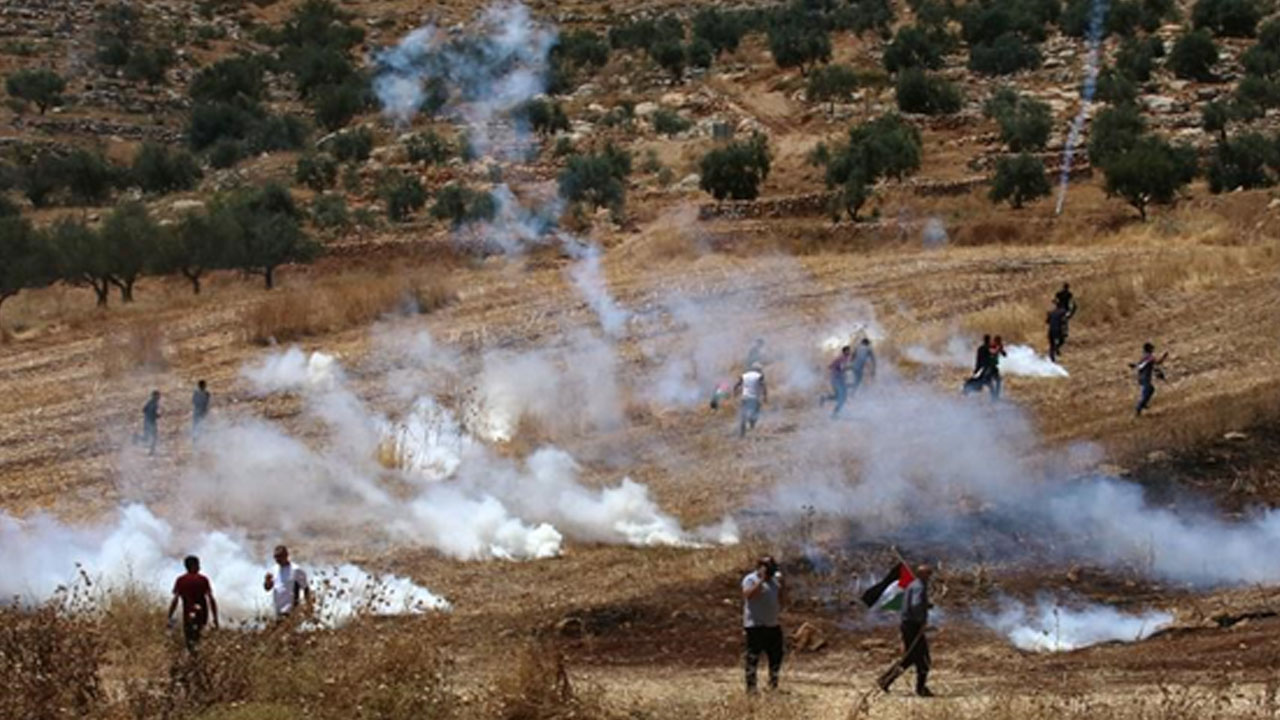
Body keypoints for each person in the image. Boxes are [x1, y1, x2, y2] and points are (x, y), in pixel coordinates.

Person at [878, 563, 934, 697]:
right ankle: (920, 689)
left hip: (907, 624)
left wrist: (926, 605)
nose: (930, 577)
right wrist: (922, 620)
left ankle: (886, 680)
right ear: (922, 575)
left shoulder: (913, 585)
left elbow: (912, 603)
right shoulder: (919, 586)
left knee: (910, 658)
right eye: (928, 574)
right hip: (913, 626)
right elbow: (915, 604)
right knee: (924, 659)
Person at [742, 556, 785, 692]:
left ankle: (773, 684)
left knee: (776, 656)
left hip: (772, 625)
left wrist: (781, 584)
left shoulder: (774, 582)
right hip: (755, 625)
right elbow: (748, 595)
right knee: (753, 657)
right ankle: (751, 687)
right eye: (768, 566)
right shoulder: (751, 579)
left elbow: (781, 599)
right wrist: (761, 580)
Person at [168, 555, 218, 651]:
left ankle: (192, 659)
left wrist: (170, 616)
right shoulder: (203, 579)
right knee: (200, 638)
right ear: (194, 566)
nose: (200, 567)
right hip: (202, 615)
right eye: (198, 565)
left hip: (187, 615)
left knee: (189, 640)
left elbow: (175, 599)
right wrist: (215, 618)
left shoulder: (180, 580)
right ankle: (197, 660)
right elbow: (211, 599)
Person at [263, 545, 311, 618]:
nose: (277, 559)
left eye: (280, 556)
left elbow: (305, 588)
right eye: (276, 557)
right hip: (278, 610)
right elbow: (268, 588)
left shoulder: (296, 570)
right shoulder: (274, 569)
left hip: (291, 610)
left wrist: (309, 606)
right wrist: (267, 581)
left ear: (286, 556)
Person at [1130, 342, 1167, 417]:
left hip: (1142, 378)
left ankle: (1143, 404)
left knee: (1150, 389)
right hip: (1145, 378)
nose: (1153, 350)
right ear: (1149, 349)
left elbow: (1140, 366)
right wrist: (1164, 357)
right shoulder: (1150, 357)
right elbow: (1158, 363)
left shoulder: (1144, 357)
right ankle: (1138, 409)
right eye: (1152, 348)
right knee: (1147, 391)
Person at [734, 363, 767, 438]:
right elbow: (763, 386)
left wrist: (735, 393)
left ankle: (742, 434)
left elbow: (737, 385)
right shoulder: (759, 376)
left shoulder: (744, 375)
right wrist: (765, 396)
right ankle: (752, 421)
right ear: (758, 370)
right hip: (754, 398)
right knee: (756, 412)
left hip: (744, 397)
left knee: (743, 415)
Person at [820, 346, 852, 417]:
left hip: (835, 380)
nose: (850, 352)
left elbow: (830, 366)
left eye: (850, 351)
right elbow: (842, 368)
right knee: (842, 398)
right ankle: (834, 414)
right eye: (848, 351)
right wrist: (851, 368)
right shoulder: (843, 359)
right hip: (838, 381)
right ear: (845, 351)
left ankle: (824, 397)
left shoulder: (840, 358)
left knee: (838, 397)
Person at [987, 336, 1007, 400]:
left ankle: (995, 396)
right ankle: (994, 396)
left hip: (994, 367)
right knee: (989, 382)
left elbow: (1004, 355)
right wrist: (998, 349)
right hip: (988, 367)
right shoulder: (991, 346)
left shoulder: (997, 346)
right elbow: (992, 353)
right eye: (999, 342)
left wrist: (1001, 350)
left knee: (998, 381)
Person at [140, 390, 161, 455]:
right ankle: (152, 451)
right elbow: (153, 413)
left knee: (147, 437)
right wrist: (157, 416)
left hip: (146, 422)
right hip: (151, 422)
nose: (159, 397)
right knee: (153, 436)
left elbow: (143, 410)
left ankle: (136, 438)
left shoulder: (149, 402)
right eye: (158, 395)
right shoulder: (155, 403)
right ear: (156, 396)